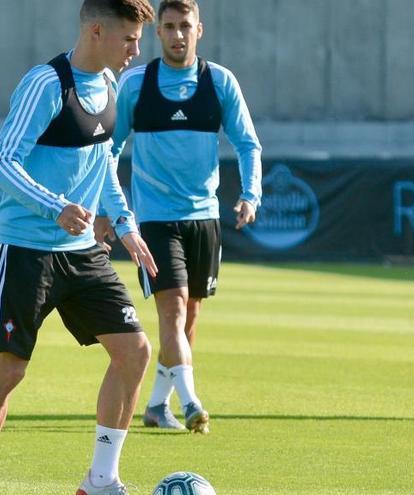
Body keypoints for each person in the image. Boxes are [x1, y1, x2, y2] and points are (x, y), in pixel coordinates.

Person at [0, 1, 157, 494]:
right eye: (130, 39)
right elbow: (2, 163)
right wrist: (56, 206)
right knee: (9, 373)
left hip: (85, 254)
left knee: (134, 352)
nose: (137, 50)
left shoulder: (110, 86)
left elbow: (104, 165)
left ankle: (101, 480)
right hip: (25, 250)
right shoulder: (46, 84)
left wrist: (127, 225)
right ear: (96, 31)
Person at [97, 0, 262, 434]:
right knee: (171, 315)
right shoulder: (136, 83)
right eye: (168, 27)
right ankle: (191, 404)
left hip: (204, 218)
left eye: (184, 26)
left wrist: (250, 194)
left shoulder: (220, 82)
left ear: (199, 30)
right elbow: (107, 153)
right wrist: (109, 211)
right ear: (158, 33)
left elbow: (248, 143)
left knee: (188, 319)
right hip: (154, 220)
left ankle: (155, 405)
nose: (177, 35)